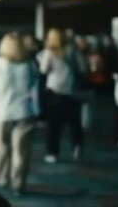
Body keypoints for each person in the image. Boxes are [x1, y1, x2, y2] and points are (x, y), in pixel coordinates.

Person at [0, 33, 40, 196]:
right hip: (24, 112)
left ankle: (1, 177)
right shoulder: (29, 64)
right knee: (21, 151)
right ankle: (18, 183)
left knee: (2, 147)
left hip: (2, 113)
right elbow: (34, 82)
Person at [39, 28, 87, 163]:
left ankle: (52, 153)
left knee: (54, 125)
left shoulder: (49, 52)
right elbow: (83, 68)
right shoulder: (72, 50)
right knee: (75, 122)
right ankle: (77, 146)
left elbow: (43, 70)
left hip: (55, 91)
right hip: (71, 92)